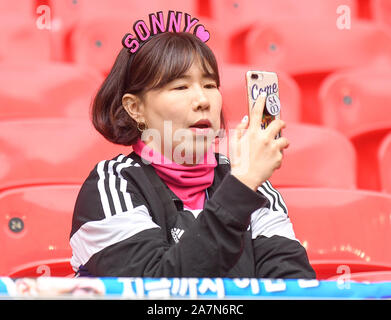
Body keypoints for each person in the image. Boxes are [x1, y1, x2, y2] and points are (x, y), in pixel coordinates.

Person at [69, 29, 316, 279]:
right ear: (135, 108)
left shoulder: (252, 184)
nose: (202, 100)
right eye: (180, 86)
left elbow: (293, 285)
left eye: (210, 85)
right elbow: (154, 290)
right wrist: (240, 187)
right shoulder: (112, 184)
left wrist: (243, 184)